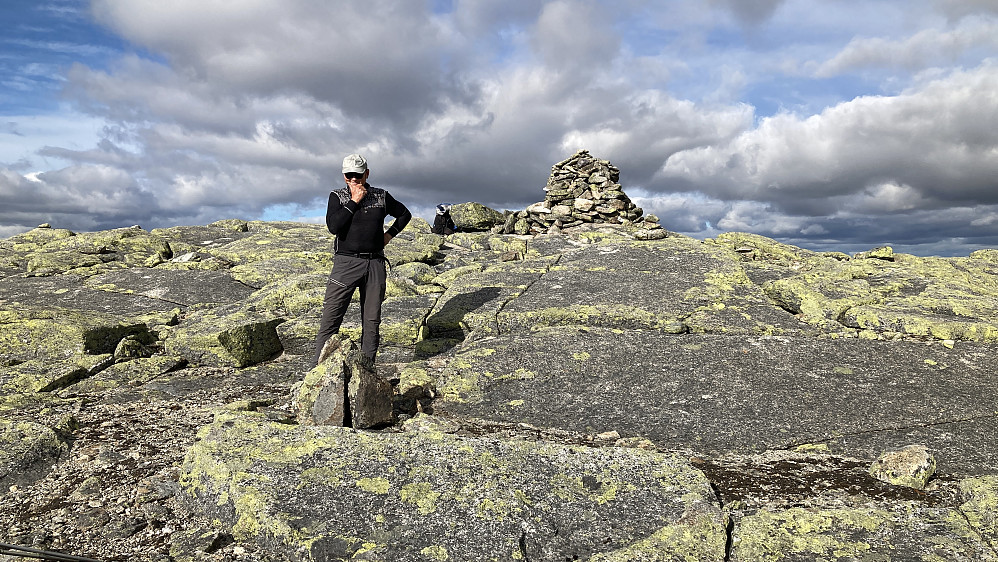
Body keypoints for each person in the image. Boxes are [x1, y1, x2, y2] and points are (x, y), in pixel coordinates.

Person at [312, 154, 411, 367]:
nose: (354, 179)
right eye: (349, 175)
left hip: (375, 264)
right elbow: (334, 227)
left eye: (358, 175)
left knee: (371, 323)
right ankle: (316, 375)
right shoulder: (337, 196)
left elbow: (404, 215)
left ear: (367, 174)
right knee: (330, 320)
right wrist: (354, 200)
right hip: (345, 264)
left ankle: (366, 373)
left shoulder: (381, 196)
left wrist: (388, 236)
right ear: (344, 175)